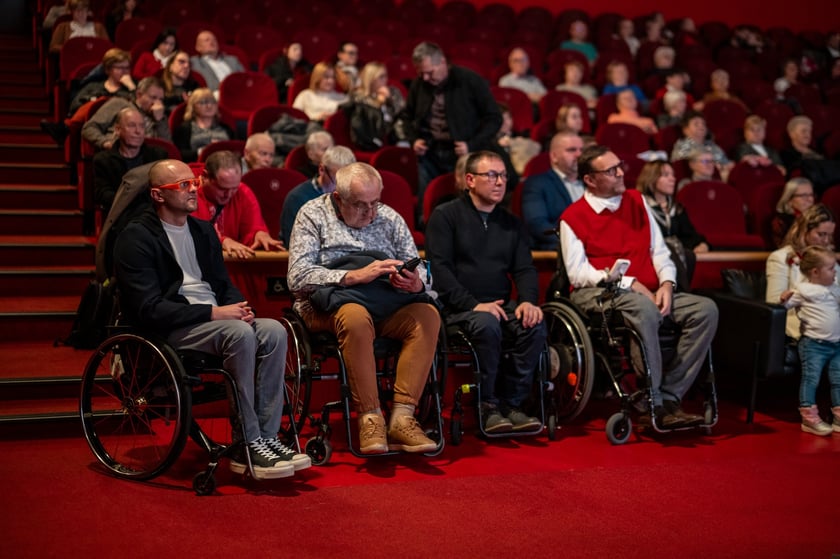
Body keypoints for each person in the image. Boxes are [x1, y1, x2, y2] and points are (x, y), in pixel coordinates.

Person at [113, 159, 310, 479]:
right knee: (239, 334)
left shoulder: (202, 231)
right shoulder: (135, 238)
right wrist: (213, 313)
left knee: (273, 330)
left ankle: (267, 437)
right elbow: (148, 308)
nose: (194, 189)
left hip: (216, 320)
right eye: (183, 186)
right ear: (158, 196)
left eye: (193, 183)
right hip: (171, 328)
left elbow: (223, 286)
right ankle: (246, 441)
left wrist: (240, 308)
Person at [286, 162, 441, 454]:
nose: (370, 213)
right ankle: (370, 418)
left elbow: (423, 272)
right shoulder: (312, 214)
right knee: (355, 317)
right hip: (328, 306)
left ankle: (403, 418)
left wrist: (414, 283)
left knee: (428, 315)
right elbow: (297, 278)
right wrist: (351, 276)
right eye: (359, 205)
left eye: (375, 203)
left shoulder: (389, 218)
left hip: (384, 302)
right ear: (337, 198)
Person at [560, 145, 718, 428]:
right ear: (590, 179)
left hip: (649, 289)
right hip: (599, 292)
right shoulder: (572, 217)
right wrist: (628, 282)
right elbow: (577, 274)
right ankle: (652, 399)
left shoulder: (638, 201)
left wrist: (668, 283)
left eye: (620, 165)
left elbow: (659, 252)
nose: (621, 173)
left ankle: (669, 395)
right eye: (611, 170)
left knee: (705, 309)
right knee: (643, 308)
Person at [425, 151, 546, 433]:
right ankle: (487, 405)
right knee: (488, 323)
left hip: (499, 305)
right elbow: (439, 271)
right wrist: (472, 304)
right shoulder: (446, 216)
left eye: (503, 175)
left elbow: (525, 269)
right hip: (457, 308)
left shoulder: (510, 223)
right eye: (491, 175)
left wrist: (528, 301)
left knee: (533, 324)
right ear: (470, 180)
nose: (500, 182)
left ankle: (512, 404)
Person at [396, 41, 502, 223]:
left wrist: (471, 144)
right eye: (421, 73)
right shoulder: (419, 84)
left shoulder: (469, 80)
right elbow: (405, 117)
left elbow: (494, 118)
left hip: (463, 155)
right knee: (427, 206)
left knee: (466, 206)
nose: (425, 78)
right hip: (429, 152)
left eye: (430, 72)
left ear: (442, 63)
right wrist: (414, 140)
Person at [779, 245, 840, 436]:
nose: (835, 271)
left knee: (838, 379)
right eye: (831, 268)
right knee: (811, 379)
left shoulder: (834, 288)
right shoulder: (803, 290)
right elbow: (784, 307)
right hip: (814, 345)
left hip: (836, 344)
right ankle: (809, 417)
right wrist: (784, 299)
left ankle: (838, 414)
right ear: (815, 272)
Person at [766, 204, 839, 339]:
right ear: (804, 231)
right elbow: (773, 305)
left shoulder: (829, 259)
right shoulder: (780, 258)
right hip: (800, 320)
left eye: (830, 235)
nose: (826, 241)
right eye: (821, 234)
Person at [192, 150, 284, 257]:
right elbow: (188, 235)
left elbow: (253, 227)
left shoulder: (243, 192)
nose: (229, 195)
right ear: (205, 176)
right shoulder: (187, 193)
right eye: (222, 189)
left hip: (235, 263)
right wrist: (222, 241)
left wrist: (259, 235)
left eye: (234, 188)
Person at [93, 106, 167, 218]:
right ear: (118, 130)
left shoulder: (158, 156)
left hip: (154, 215)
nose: (138, 131)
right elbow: (102, 194)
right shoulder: (103, 160)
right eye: (132, 126)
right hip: (120, 216)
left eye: (141, 126)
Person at [279, 145, 356, 246]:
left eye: (347, 180)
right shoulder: (297, 198)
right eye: (337, 181)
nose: (342, 187)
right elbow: (295, 244)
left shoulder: (353, 195)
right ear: (321, 170)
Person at [521, 131, 584, 249]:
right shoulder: (537, 184)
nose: (579, 155)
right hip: (561, 251)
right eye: (572, 150)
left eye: (581, 150)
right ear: (554, 156)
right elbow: (537, 225)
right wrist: (575, 242)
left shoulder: (590, 183)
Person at [637, 160, 709, 254]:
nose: (673, 179)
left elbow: (690, 237)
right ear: (651, 179)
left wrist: (703, 244)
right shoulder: (640, 207)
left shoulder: (677, 208)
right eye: (666, 175)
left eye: (673, 175)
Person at [80, 75, 168, 150]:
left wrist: (159, 121)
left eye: (161, 99)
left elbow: (168, 148)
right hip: (119, 155)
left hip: (148, 159)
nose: (158, 103)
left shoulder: (159, 114)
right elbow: (89, 128)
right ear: (139, 94)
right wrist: (105, 142)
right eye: (153, 97)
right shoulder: (119, 104)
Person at [345, 61, 406, 151]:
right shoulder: (359, 96)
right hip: (373, 136)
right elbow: (368, 119)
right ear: (370, 79)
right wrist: (379, 104)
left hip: (394, 133)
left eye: (386, 75)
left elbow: (402, 113)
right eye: (381, 77)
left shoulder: (393, 92)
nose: (385, 79)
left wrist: (389, 100)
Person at [68, 47, 136, 116]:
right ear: (108, 69)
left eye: (127, 68)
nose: (125, 72)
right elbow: (74, 108)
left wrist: (132, 88)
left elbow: (141, 110)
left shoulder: (134, 87)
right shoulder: (93, 87)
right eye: (120, 68)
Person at [172, 87, 233, 163]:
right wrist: (202, 151)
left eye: (212, 102)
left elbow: (236, 151)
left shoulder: (226, 128)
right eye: (203, 102)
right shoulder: (185, 129)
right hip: (197, 165)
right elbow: (179, 154)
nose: (209, 106)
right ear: (193, 106)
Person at [671, 111, 732, 180]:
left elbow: (726, 162)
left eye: (703, 124)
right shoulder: (683, 145)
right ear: (685, 130)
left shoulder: (712, 145)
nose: (701, 126)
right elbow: (678, 166)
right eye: (696, 124)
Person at [770, 177, 816, 248]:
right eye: (803, 195)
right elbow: (783, 249)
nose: (809, 199)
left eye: (811, 195)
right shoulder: (780, 222)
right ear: (789, 200)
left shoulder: (818, 218)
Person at [160, 50, 200, 115]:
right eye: (181, 62)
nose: (186, 66)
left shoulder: (194, 86)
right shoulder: (160, 87)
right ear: (170, 66)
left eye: (189, 64)